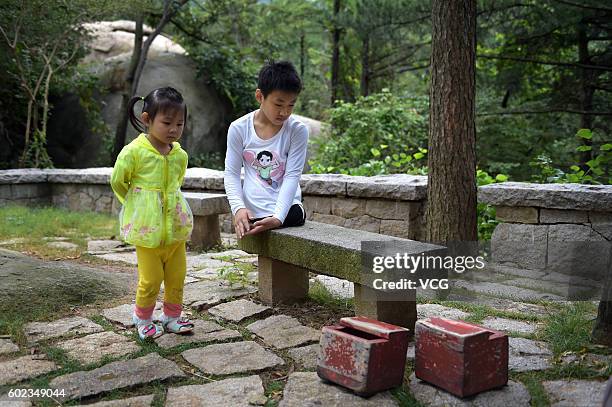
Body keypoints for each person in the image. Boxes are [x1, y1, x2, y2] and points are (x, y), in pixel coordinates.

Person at [110, 87, 195, 340]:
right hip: (147, 232)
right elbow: (118, 181)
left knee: (177, 275)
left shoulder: (179, 155)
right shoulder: (133, 152)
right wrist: (136, 205)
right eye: (167, 122)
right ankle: (143, 319)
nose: (173, 129)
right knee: (151, 279)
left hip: (175, 230)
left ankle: (172, 317)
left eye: (179, 123)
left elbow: (176, 184)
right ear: (147, 119)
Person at [224, 61, 309, 239]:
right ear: (260, 96)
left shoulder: (297, 130)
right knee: (253, 223)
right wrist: (238, 208)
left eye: (291, 105)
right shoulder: (239, 128)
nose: (285, 112)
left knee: (295, 214)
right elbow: (231, 173)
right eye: (278, 104)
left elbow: (292, 176)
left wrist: (278, 217)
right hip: (253, 212)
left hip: (288, 210)